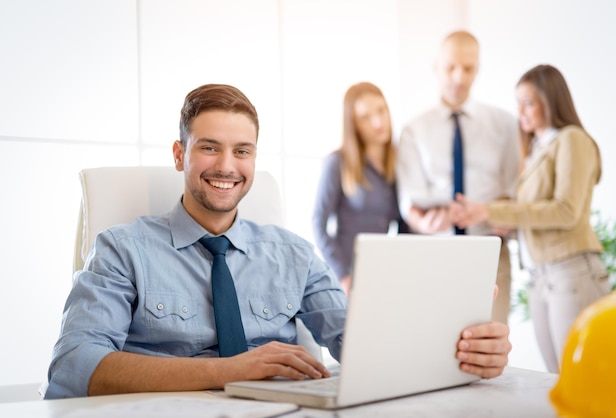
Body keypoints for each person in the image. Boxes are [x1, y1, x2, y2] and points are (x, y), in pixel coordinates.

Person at [45, 83, 511, 399]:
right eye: (209, 147)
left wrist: (459, 349)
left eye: (242, 151)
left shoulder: (293, 254)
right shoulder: (122, 249)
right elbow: (73, 366)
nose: (227, 165)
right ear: (179, 154)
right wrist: (229, 370)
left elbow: (361, 341)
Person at [450, 64, 611, 373]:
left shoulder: (571, 139)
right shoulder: (537, 147)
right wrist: (508, 220)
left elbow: (566, 210)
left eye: (529, 102)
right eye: (518, 102)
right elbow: (536, 210)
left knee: (578, 374)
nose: (520, 112)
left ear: (550, 102)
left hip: (571, 271)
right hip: (541, 275)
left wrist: (490, 210)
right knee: (555, 375)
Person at [396, 30, 519, 324]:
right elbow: (408, 199)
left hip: (490, 253)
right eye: (451, 67)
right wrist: (421, 221)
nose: (459, 78)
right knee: (434, 343)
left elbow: (516, 191)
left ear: (478, 69)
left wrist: (501, 215)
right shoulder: (415, 129)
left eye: (468, 68)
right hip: (435, 253)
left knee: (489, 346)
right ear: (436, 67)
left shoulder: (505, 126)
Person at [312, 82, 409, 296]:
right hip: (348, 277)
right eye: (365, 117)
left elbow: (405, 222)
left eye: (381, 111)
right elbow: (318, 223)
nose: (377, 122)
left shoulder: (399, 162)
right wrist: (343, 275)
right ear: (354, 124)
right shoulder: (338, 163)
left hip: (384, 272)